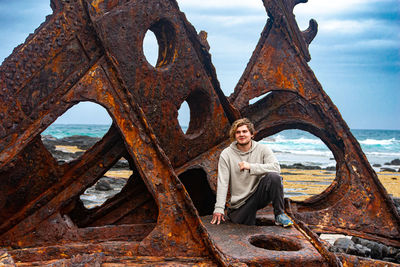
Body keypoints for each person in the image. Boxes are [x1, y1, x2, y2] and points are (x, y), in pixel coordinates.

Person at [210, 118, 293, 227]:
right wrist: (219, 208)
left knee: (274, 177)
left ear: (252, 134)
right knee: (243, 228)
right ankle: (238, 213)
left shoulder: (262, 149)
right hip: (240, 203)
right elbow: (223, 182)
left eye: (244, 131)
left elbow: (276, 168)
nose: (241, 134)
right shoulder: (226, 154)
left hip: (258, 194)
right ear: (234, 135)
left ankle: (279, 215)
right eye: (238, 132)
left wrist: (251, 167)